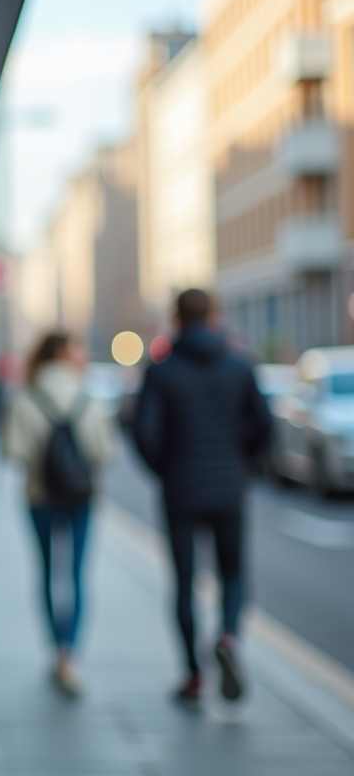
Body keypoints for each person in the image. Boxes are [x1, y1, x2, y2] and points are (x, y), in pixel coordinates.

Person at [134, 288, 272, 703]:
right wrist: (242, 464)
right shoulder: (238, 366)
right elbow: (265, 426)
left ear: (176, 319)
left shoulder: (161, 370)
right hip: (228, 487)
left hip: (180, 490)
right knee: (233, 573)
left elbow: (144, 433)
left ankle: (193, 675)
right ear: (214, 317)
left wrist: (167, 471)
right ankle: (228, 637)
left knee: (184, 581)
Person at [3, 331, 116, 696]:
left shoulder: (26, 398)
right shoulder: (88, 397)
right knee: (78, 574)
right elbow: (105, 453)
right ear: (65, 353)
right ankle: (72, 654)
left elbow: (13, 453)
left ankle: (55, 651)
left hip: (39, 497)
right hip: (82, 499)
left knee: (48, 573)